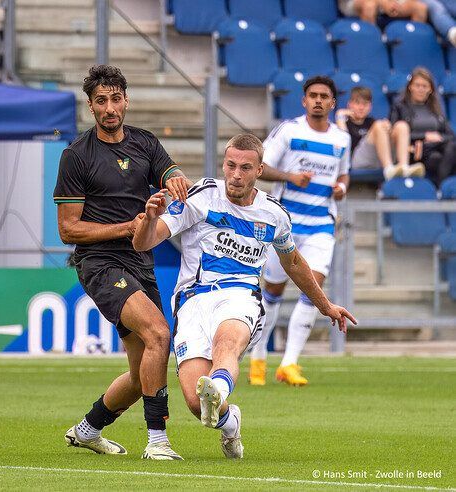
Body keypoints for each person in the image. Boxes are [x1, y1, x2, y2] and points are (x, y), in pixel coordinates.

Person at [132, 134, 356, 459]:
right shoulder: (201, 197)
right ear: (224, 164)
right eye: (231, 165)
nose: (236, 174)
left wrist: (325, 305)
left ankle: (219, 387)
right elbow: (143, 244)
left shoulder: (274, 215)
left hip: (242, 297)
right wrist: (150, 218)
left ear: (260, 170)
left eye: (245, 168)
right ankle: (229, 421)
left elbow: (292, 262)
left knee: (227, 341)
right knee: (197, 405)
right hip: (193, 301)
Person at [55, 65, 192, 460]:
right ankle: (158, 442)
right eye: (101, 101)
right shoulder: (76, 156)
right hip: (99, 263)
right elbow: (68, 230)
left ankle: (87, 429)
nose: (110, 107)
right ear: (91, 106)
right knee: (159, 334)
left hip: (140, 261)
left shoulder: (145, 143)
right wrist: (125, 227)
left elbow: (169, 170)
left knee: (139, 376)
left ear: (126, 100)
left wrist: (176, 178)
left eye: (116, 99)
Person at [249, 75, 351, 386]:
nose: (318, 100)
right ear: (304, 101)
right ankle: (258, 360)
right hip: (285, 224)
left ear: (332, 103)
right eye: (313, 95)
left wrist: (341, 189)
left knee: (314, 288)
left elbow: (345, 174)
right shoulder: (290, 131)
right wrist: (290, 177)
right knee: (272, 291)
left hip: (321, 223)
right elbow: (258, 166)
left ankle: (289, 363)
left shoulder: (342, 139)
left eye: (324, 96)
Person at [335, 86, 425, 180]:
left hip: (378, 158)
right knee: (379, 125)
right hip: (357, 161)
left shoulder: (371, 121)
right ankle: (388, 169)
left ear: (370, 107)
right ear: (350, 104)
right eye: (357, 103)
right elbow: (344, 140)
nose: (361, 107)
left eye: (365, 104)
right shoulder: (345, 121)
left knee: (401, 126)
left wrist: (389, 129)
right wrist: (340, 114)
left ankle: (404, 167)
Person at [390, 67, 456, 186]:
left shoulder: (436, 108)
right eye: (417, 85)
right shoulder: (399, 106)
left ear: (430, 89)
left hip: (438, 148)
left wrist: (438, 137)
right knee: (445, 156)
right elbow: (395, 132)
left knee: (449, 150)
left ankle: (440, 189)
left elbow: (451, 135)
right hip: (415, 151)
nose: (421, 89)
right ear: (410, 87)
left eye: (425, 86)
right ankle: (441, 189)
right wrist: (424, 136)